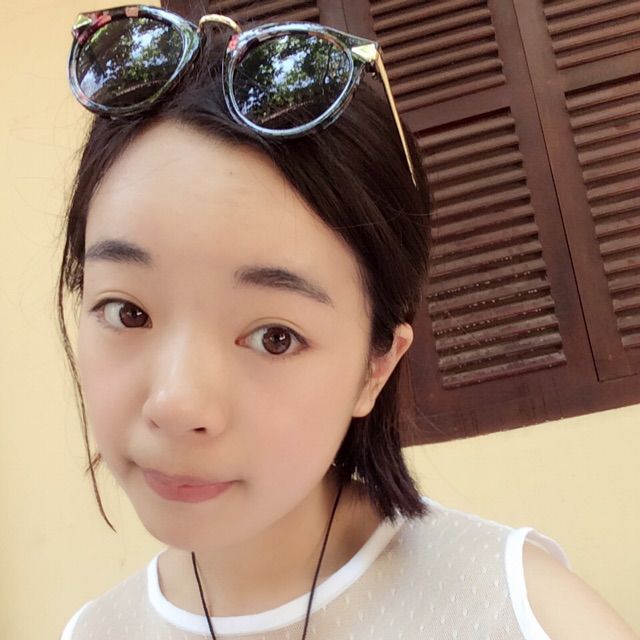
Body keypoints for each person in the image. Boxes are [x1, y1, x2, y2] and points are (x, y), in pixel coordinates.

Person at [59, 6, 638, 640]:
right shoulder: (92, 632)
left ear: (375, 368)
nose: (176, 405)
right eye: (128, 312)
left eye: (275, 337)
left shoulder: (523, 613)